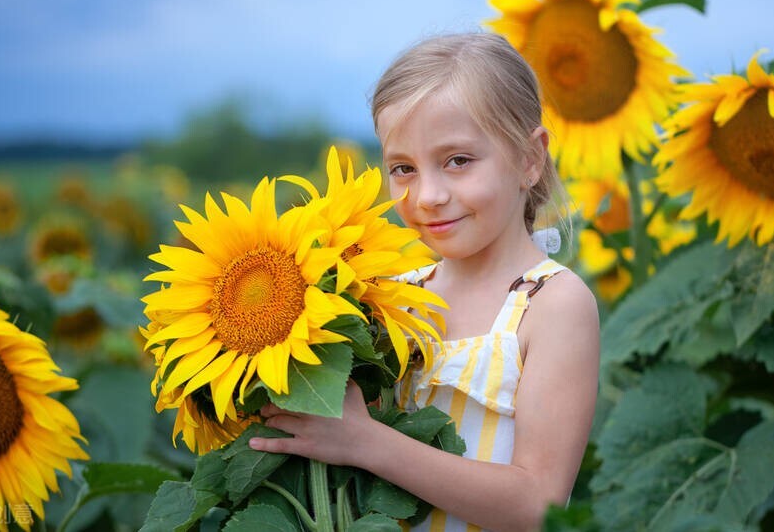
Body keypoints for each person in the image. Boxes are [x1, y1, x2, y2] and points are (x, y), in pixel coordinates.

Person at [250, 32, 600, 532]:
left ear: (529, 158)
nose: (429, 195)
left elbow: (538, 507)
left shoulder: (551, 305)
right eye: (403, 168)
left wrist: (365, 442)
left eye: (457, 161)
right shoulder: (393, 296)